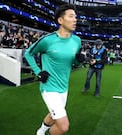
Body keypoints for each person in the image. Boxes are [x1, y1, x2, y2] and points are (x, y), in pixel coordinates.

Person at [24, 4, 84, 135]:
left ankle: (40, 132)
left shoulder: (77, 41)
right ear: (60, 20)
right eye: (71, 16)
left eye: (76, 17)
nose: (75, 20)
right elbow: (28, 53)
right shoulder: (48, 40)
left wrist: (78, 61)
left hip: (64, 86)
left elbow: (74, 63)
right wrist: (38, 72)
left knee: (53, 114)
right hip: (49, 87)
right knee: (63, 127)